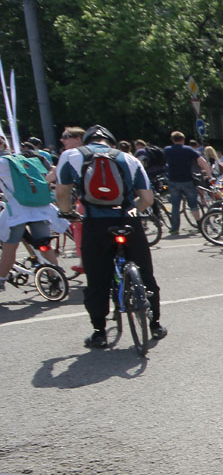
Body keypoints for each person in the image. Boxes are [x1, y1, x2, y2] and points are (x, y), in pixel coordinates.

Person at [54, 125, 166, 347]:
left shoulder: (71, 156)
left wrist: (67, 212)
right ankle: (155, 324)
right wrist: (132, 210)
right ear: (112, 143)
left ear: (87, 141)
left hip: (95, 222)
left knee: (97, 278)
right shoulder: (129, 158)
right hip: (127, 220)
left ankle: (99, 332)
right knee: (145, 272)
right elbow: (147, 198)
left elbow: (62, 192)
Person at [0, 141, 62, 291]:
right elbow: (48, 175)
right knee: (44, 245)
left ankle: (1, 280)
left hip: (18, 210)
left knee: (10, 246)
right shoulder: (25, 159)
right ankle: (56, 278)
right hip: (40, 206)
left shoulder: (1, 163)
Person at [162, 130, 211, 234]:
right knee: (193, 204)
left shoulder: (167, 150)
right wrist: (208, 174)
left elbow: (163, 163)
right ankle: (199, 225)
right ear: (183, 140)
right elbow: (202, 162)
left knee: (175, 205)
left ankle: (174, 228)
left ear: (172, 140)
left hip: (173, 180)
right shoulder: (188, 150)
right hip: (187, 180)